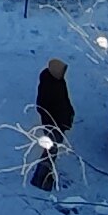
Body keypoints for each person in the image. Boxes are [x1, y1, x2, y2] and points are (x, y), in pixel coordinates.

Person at [31, 57, 74, 192]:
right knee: (51, 151)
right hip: (53, 124)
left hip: (59, 123)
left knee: (51, 151)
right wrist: (52, 121)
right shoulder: (50, 85)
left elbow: (64, 101)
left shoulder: (57, 82)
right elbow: (43, 106)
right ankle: (41, 179)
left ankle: (44, 177)